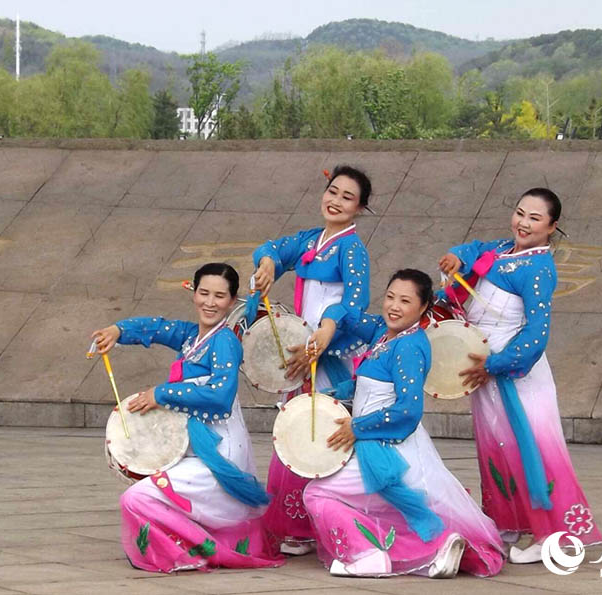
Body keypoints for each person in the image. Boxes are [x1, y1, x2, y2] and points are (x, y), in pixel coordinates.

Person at [303, 269, 505, 578]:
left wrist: (357, 427)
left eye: (405, 301)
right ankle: (439, 546)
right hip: (375, 445)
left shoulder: (409, 346)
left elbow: (408, 410)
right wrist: (327, 328)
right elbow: (344, 311)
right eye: (390, 297)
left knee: (317, 494)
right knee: (380, 507)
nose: (394, 307)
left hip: (388, 451)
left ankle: (370, 554)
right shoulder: (382, 333)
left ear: (424, 307)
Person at [438, 187, 602, 564]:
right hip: (485, 371)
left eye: (535, 218)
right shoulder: (500, 249)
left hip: (513, 373)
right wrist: (456, 256)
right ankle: (508, 522)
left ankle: (551, 534)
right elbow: (474, 249)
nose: (523, 223)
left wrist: (495, 365)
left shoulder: (539, 268)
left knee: (535, 450)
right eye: (520, 213)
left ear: (552, 226)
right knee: (497, 449)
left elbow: (536, 332)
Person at [90, 263, 283, 572]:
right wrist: (118, 331)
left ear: (232, 301)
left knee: (136, 498)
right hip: (195, 448)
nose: (210, 302)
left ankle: (192, 552)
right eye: (204, 293)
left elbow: (220, 397)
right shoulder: (192, 337)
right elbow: (158, 327)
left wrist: (161, 394)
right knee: (144, 496)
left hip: (218, 453)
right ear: (193, 293)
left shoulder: (225, 341)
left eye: (219, 296)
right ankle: (188, 547)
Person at [251, 165, 372, 554]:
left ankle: (317, 522)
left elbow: (355, 302)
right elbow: (272, 248)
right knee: (296, 429)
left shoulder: (352, 249)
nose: (335, 201)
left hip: (329, 349)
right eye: (332, 191)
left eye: (347, 197)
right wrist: (267, 264)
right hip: (302, 349)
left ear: (360, 208)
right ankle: (296, 525)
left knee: (320, 431)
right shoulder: (309, 239)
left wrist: (324, 333)